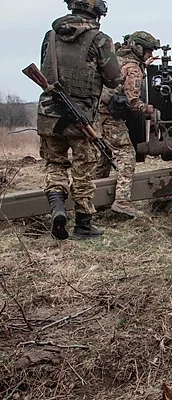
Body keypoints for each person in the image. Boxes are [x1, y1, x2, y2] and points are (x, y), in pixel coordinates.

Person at [37, 0, 122, 240]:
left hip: (48, 114)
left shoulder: (50, 36)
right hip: (81, 118)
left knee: (55, 165)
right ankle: (83, 225)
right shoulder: (100, 39)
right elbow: (114, 80)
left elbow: (46, 73)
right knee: (84, 171)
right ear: (97, 12)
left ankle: (58, 208)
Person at [94, 31, 160, 218]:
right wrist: (148, 109)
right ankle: (121, 201)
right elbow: (133, 102)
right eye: (147, 51)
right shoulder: (132, 68)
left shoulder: (117, 59)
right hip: (109, 116)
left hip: (96, 114)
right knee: (126, 153)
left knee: (105, 156)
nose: (149, 54)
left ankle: (93, 199)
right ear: (138, 49)